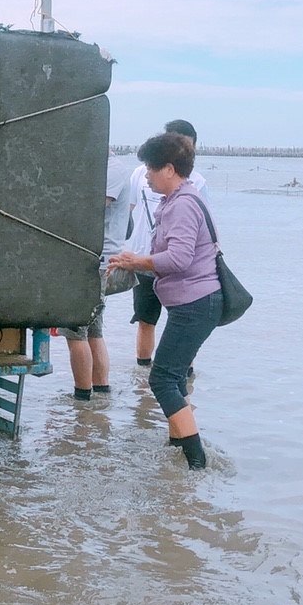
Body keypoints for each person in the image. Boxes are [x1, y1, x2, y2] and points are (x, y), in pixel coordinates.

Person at [109, 132, 220, 468]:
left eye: (150, 169)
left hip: (196, 305)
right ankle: (178, 446)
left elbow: (180, 259)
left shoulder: (183, 204)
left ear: (169, 169)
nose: (145, 175)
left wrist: (137, 261)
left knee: (161, 378)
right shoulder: (181, 198)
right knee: (173, 377)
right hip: (196, 303)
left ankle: (195, 461)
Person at [124, 120, 208, 368]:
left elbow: (201, 229)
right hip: (143, 258)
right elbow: (128, 212)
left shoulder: (197, 183)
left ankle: (183, 371)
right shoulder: (142, 174)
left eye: (185, 145)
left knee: (180, 321)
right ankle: (143, 375)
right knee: (145, 318)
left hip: (179, 267)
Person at [59, 153, 128, 400]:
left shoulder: (113, 168)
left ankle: (82, 398)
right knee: (92, 330)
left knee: (76, 330)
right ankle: (99, 393)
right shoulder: (99, 165)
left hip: (94, 259)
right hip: (94, 258)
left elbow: (93, 207)